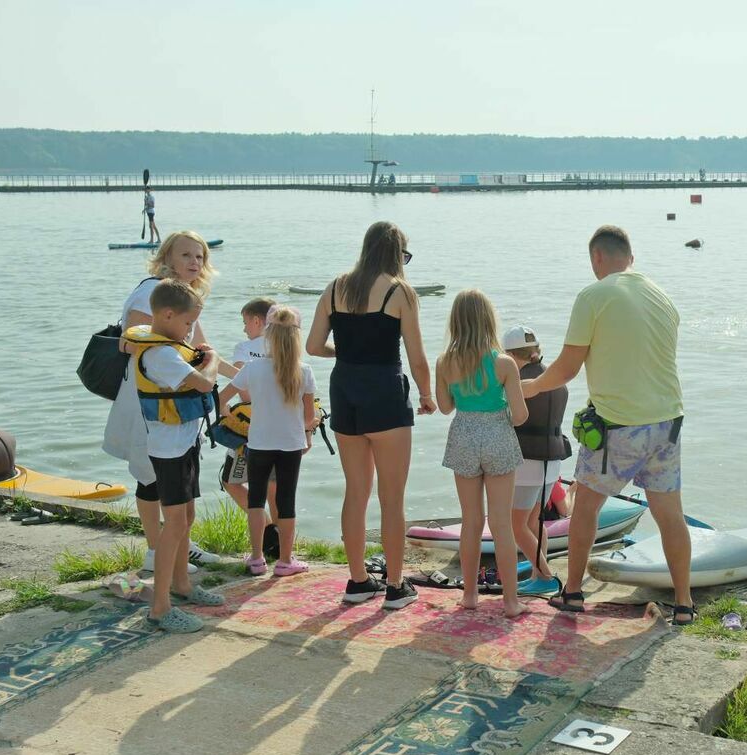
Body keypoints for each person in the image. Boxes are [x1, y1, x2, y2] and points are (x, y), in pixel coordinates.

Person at [521, 225, 694, 625]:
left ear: (596, 257)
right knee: (671, 516)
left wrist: (528, 388)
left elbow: (565, 368)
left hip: (618, 425)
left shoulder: (593, 295)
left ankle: (574, 593)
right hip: (667, 423)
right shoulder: (662, 296)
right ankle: (684, 604)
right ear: (630, 257)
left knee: (585, 508)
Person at [306, 221, 436, 610]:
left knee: (356, 491)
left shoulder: (335, 287)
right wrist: (427, 395)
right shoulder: (400, 292)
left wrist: (345, 355)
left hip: (345, 389)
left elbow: (313, 345)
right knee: (391, 497)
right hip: (384, 391)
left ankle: (358, 580)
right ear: (397, 255)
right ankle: (396, 586)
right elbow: (416, 356)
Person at [103, 231, 228, 575]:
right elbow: (130, 342)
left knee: (179, 477)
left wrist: (246, 378)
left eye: (200, 257)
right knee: (151, 475)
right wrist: (189, 366)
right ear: (167, 258)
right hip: (148, 398)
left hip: (178, 400)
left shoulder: (185, 298)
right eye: (186, 255)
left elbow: (201, 349)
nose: (194, 262)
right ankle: (156, 550)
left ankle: (181, 546)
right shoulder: (152, 292)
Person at [122, 280, 225, 632]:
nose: (190, 331)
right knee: (176, 523)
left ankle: (182, 585)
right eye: (187, 324)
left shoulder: (168, 345)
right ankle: (160, 607)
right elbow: (204, 384)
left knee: (188, 516)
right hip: (168, 451)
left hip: (185, 442)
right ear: (166, 315)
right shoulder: (160, 354)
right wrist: (210, 359)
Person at [436, 290, 529, 617]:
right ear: (489, 321)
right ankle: (511, 602)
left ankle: (470, 595)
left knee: (471, 521)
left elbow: (445, 407)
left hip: (463, 436)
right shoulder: (504, 363)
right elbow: (520, 416)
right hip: (497, 437)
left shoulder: (445, 362)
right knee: (501, 523)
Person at [218, 305, 315, 577]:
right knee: (286, 500)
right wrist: (309, 429)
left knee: (256, 500)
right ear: (296, 337)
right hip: (291, 445)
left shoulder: (252, 369)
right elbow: (308, 417)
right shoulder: (304, 371)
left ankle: (257, 558)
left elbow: (222, 399)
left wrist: (229, 415)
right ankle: (285, 561)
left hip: (258, 443)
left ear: (268, 335)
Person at [502, 325, 571, 596]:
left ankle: (545, 576)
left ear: (510, 354)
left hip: (527, 461)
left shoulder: (519, 383)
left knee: (516, 525)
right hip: (552, 462)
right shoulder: (554, 379)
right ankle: (536, 572)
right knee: (533, 523)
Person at [221, 297, 281, 558]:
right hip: (281, 424)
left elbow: (242, 388)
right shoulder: (285, 346)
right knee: (274, 486)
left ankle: (266, 530)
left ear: (257, 321)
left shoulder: (244, 348)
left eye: (246, 322)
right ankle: (281, 542)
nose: (245, 328)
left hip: (251, 427)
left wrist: (226, 415)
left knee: (231, 481)